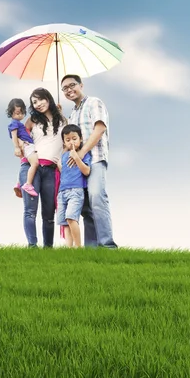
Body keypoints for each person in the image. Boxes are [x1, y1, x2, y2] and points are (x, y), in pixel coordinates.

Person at [61, 74, 118, 248]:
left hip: (95, 158)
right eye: (65, 88)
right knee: (85, 206)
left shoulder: (94, 102)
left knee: (96, 197)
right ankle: (92, 248)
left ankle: (107, 245)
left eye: (72, 85)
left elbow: (99, 128)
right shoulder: (73, 113)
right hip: (79, 165)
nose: (69, 90)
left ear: (81, 85)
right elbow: (70, 137)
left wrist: (82, 152)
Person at [17, 88, 66, 248]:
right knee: (30, 210)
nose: (38, 104)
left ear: (48, 98)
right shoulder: (32, 120)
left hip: (52, 170)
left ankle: (48, 249)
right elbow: (20, 139)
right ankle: (32, 246)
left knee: (49, 213)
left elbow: (68, 142)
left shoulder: (64, 121)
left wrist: (60, 114)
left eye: (40, 99)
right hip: (32, 167)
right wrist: (20, 146)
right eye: (34, 102)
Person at [56, 124, 91, 248]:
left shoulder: (83, 154)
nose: (71, 142)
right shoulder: (64, 156)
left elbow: (86, 171)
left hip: (76, 191)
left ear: (80, 139)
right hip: (62, 192)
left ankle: (78, 246)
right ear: (64, 142)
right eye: (68, 139)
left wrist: (77, 158)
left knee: (71, 218)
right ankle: (69, 248)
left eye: (74, 138)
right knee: (65, 222)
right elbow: (63, 171)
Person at [6, 98, 39, 197]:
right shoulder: (14, 123)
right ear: (11, 113)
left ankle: (19, 183)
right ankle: (28, 184)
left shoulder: (18, 123)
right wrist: (17, 147)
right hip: (26, 146)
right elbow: (14, 136)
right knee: (35, 163)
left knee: (27, 163)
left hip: (27, 145)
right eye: (17, 113)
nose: (19, 115)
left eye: (22, 113)